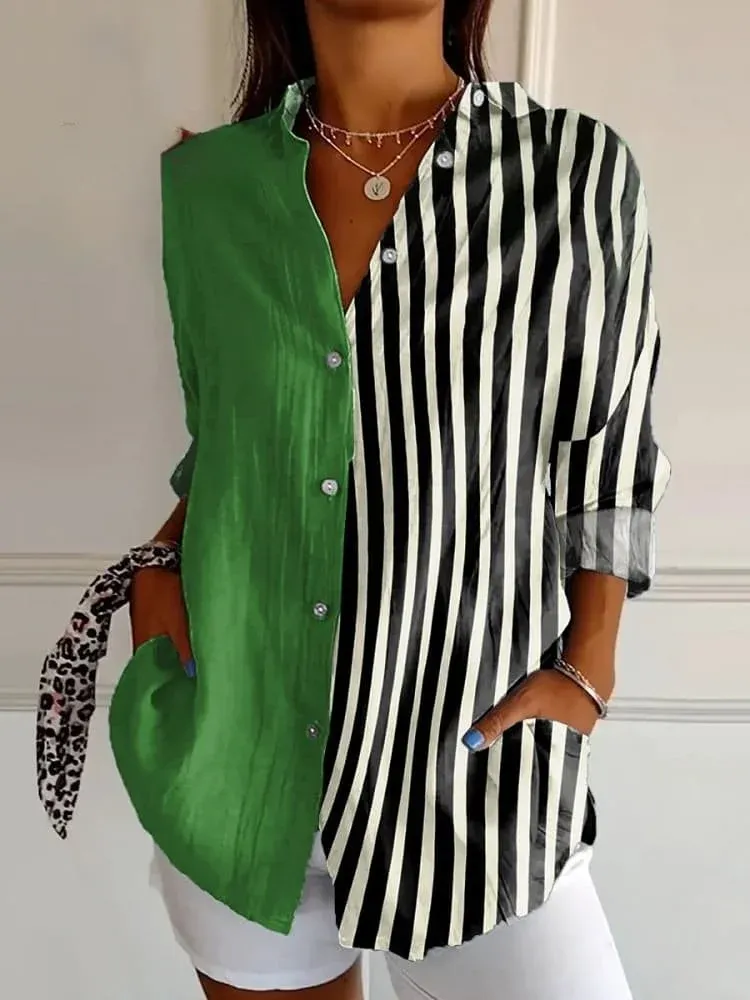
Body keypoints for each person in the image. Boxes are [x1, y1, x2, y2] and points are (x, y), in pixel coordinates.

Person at [116, 0, 670, 996]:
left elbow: (611, 443)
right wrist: (158, 567)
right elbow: (230, 440)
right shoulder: (205, 190)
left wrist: (589, 665)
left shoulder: (572, 171)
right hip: (240, 760)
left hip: (470, 774)